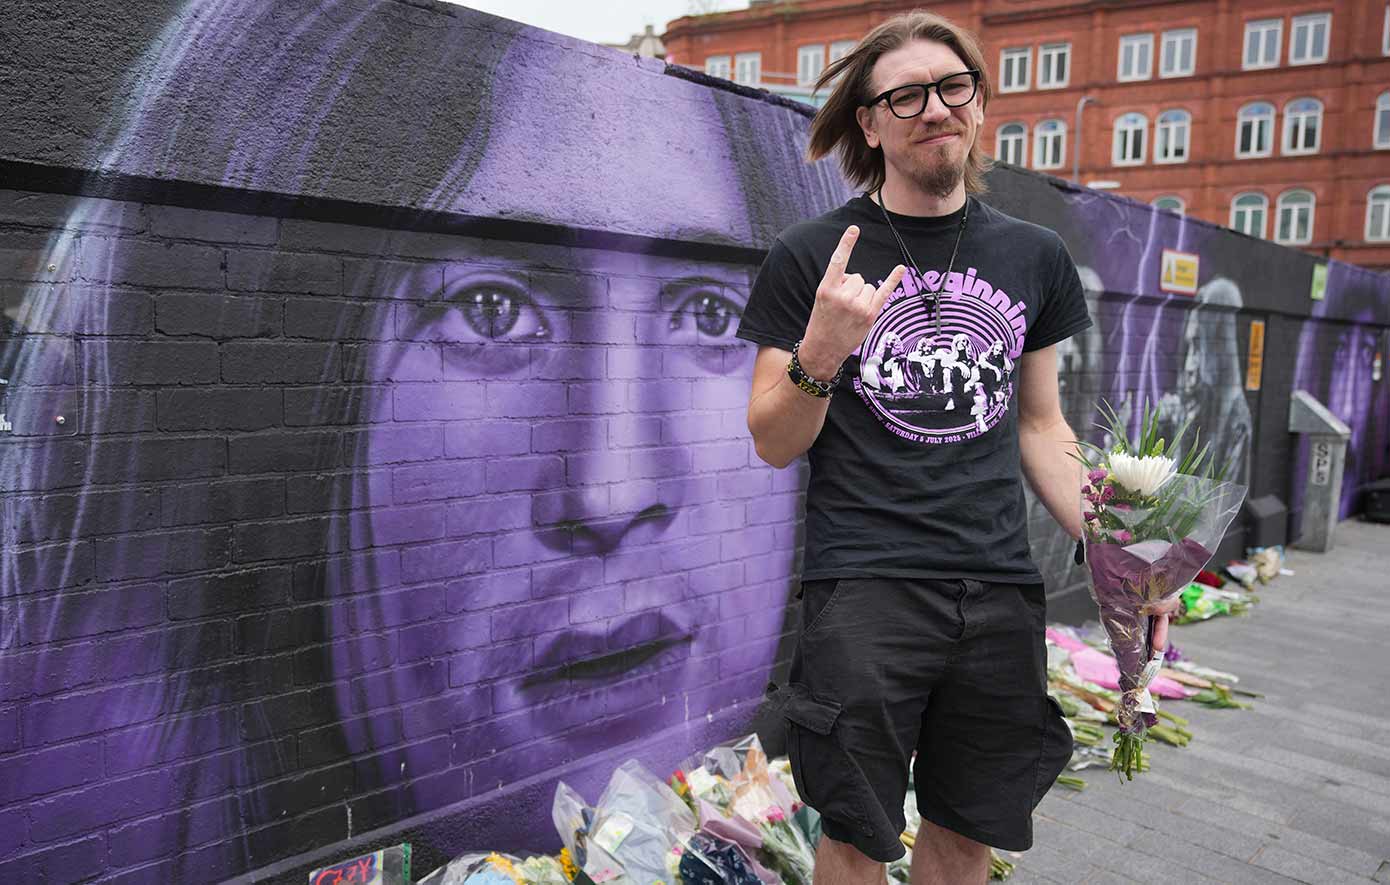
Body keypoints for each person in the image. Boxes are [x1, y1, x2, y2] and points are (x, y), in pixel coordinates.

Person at [734, 11, 1169, 885]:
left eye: (951, 86)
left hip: (1000, 588)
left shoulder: (1035, 255)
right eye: (905, 95)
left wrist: (1125, 555)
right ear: (870, 122)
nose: (934, 107)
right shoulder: (812, 256)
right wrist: (822, 350)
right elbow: (772, 440)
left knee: (969, 833)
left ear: (976, 104)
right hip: (866, 584)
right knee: (855, 837)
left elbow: (1041, 426)